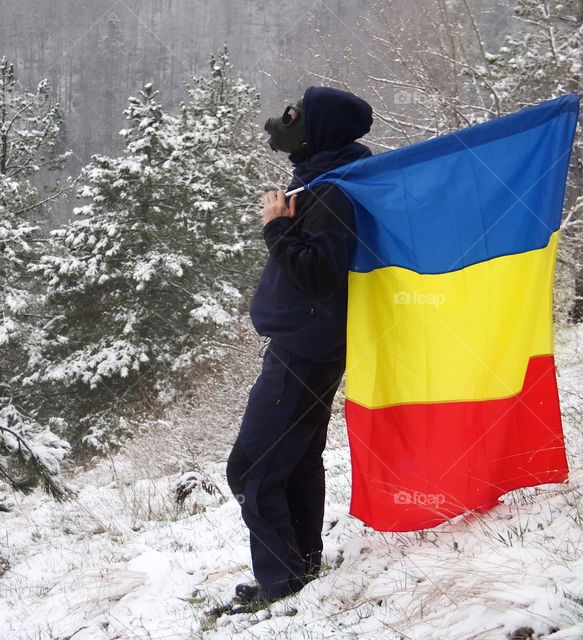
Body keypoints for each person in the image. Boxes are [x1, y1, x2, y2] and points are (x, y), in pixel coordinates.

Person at [225, 86, 374, 609]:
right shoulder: (324, 179)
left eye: (297, 114)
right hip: (311, 345)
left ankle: (282, 583)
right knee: (295, 459)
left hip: (304, 350)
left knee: (251, 468)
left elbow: (319, 273)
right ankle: (299, 570)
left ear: (321, 130)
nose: (286, 120)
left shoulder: (333, 191)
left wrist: (276, 229)